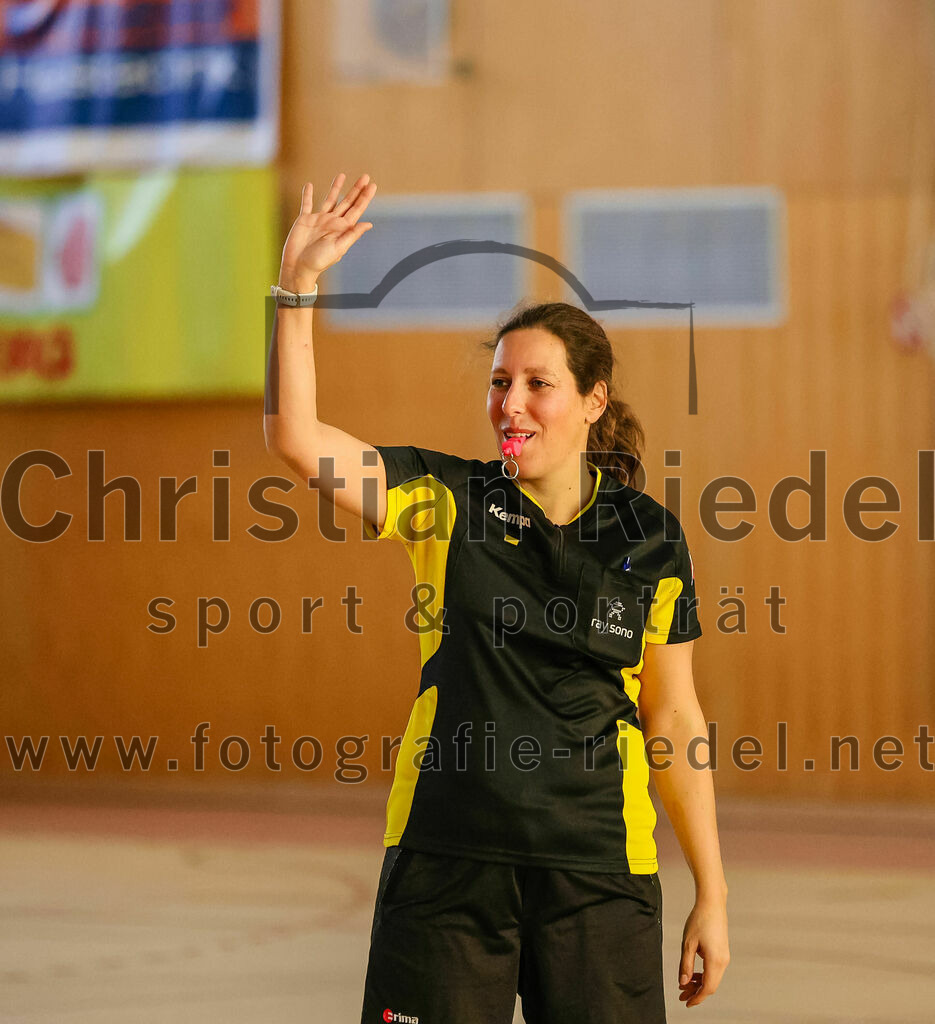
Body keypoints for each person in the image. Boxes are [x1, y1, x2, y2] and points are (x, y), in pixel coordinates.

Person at [265, 172, 730, 1023]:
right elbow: (296, 438)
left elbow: (671, 720)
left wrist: (712, 890)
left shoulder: (650, 538)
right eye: (497, 382)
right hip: (446, 864)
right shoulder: (444, 500)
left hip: (596, 873)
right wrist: (295, 290)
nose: (508, 404)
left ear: (592, 401)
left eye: (536, 384)